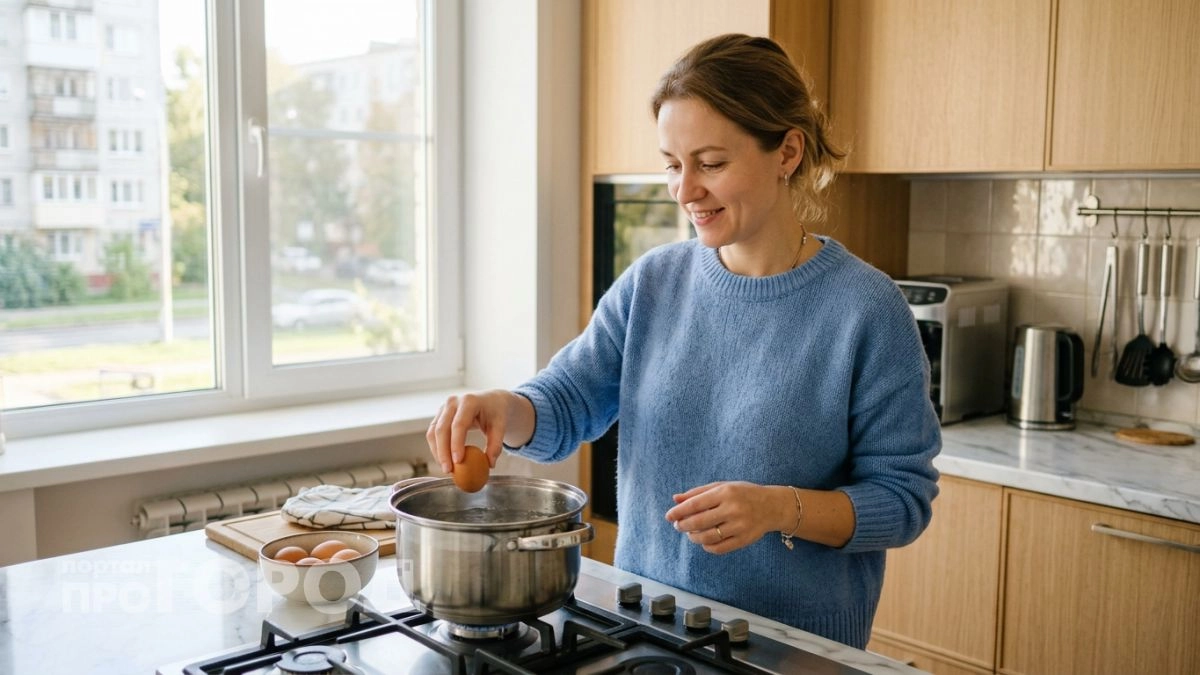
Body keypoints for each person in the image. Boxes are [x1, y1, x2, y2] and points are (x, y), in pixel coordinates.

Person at [425, 33, 940, 649]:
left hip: (787, 648)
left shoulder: (866, 309)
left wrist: (780, 509)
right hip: (647, 628)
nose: (684, 189)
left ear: (787, 152)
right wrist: (505, 409)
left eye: (711, 163)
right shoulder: (654, 281)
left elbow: (901, 500)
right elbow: (566, 403)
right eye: (672, 163)